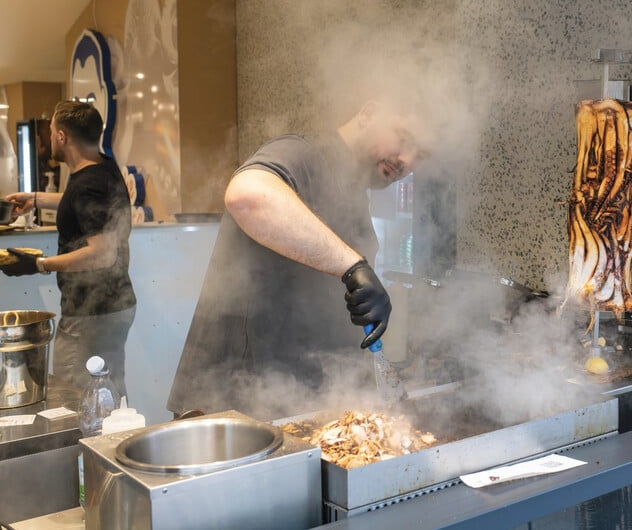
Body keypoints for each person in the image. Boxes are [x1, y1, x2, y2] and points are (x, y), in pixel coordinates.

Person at [165, 100, 427, 419]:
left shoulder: (352, 191)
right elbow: (247, 195)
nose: (407, 161)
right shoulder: (304, 154)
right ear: (369, 113)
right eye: (404, 137)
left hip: (290, 404)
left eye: (421, 156)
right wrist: (353, 268)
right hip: (233, 405)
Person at [1, 100, 137, 397]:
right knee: (108, 390)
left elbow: (102, 253)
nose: (48, 139)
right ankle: (116, 440)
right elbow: (81, 200)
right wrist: (35, 198)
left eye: (50, 132)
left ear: (62, 136)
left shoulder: (88, 183)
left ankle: (93, 442)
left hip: (91, 315)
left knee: (76, 396)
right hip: (113, 306)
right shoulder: (103, 167)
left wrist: (38, 264)